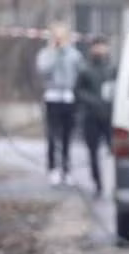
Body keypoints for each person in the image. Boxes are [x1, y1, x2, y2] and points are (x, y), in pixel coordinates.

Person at [35, 22, 85, 187]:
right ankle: (53, 168)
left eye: (62, 36)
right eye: (56, 36)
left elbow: (80, 72)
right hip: (53, 96)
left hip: (68, 97)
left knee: (67, 135)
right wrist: (55, 54)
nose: (59, 39)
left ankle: (66, 169)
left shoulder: (74, 54)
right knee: (52, 134)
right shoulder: (46, 54)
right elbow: (43, 70)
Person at [76, 34, 116, 197]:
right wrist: (93, 101)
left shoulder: (113, 68)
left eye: (102, 45)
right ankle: (97, 184)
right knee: (92, 152)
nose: (100, 49)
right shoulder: (85, 69)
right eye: (97, 46)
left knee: (115, 152)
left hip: (110, 116)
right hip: (91, 116)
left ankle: (116, 184)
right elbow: (78, 91)